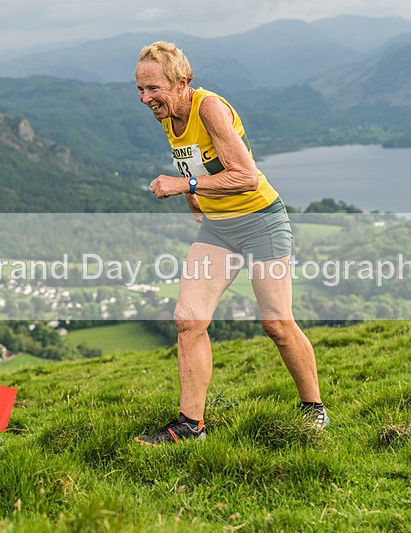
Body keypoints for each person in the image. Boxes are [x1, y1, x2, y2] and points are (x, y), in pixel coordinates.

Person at [133, 41, 328, 446]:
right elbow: (195, 160)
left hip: (260, 222)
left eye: (154, 88)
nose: (146, 98)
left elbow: (246, 177)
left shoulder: (209, 108)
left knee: (276, 323)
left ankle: (314, 409)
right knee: (189, 320)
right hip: (220, 228)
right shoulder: (168, 115)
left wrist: (182, 185)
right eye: (140, 89)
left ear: (182, 82)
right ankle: (190, 426)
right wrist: (194, 200)